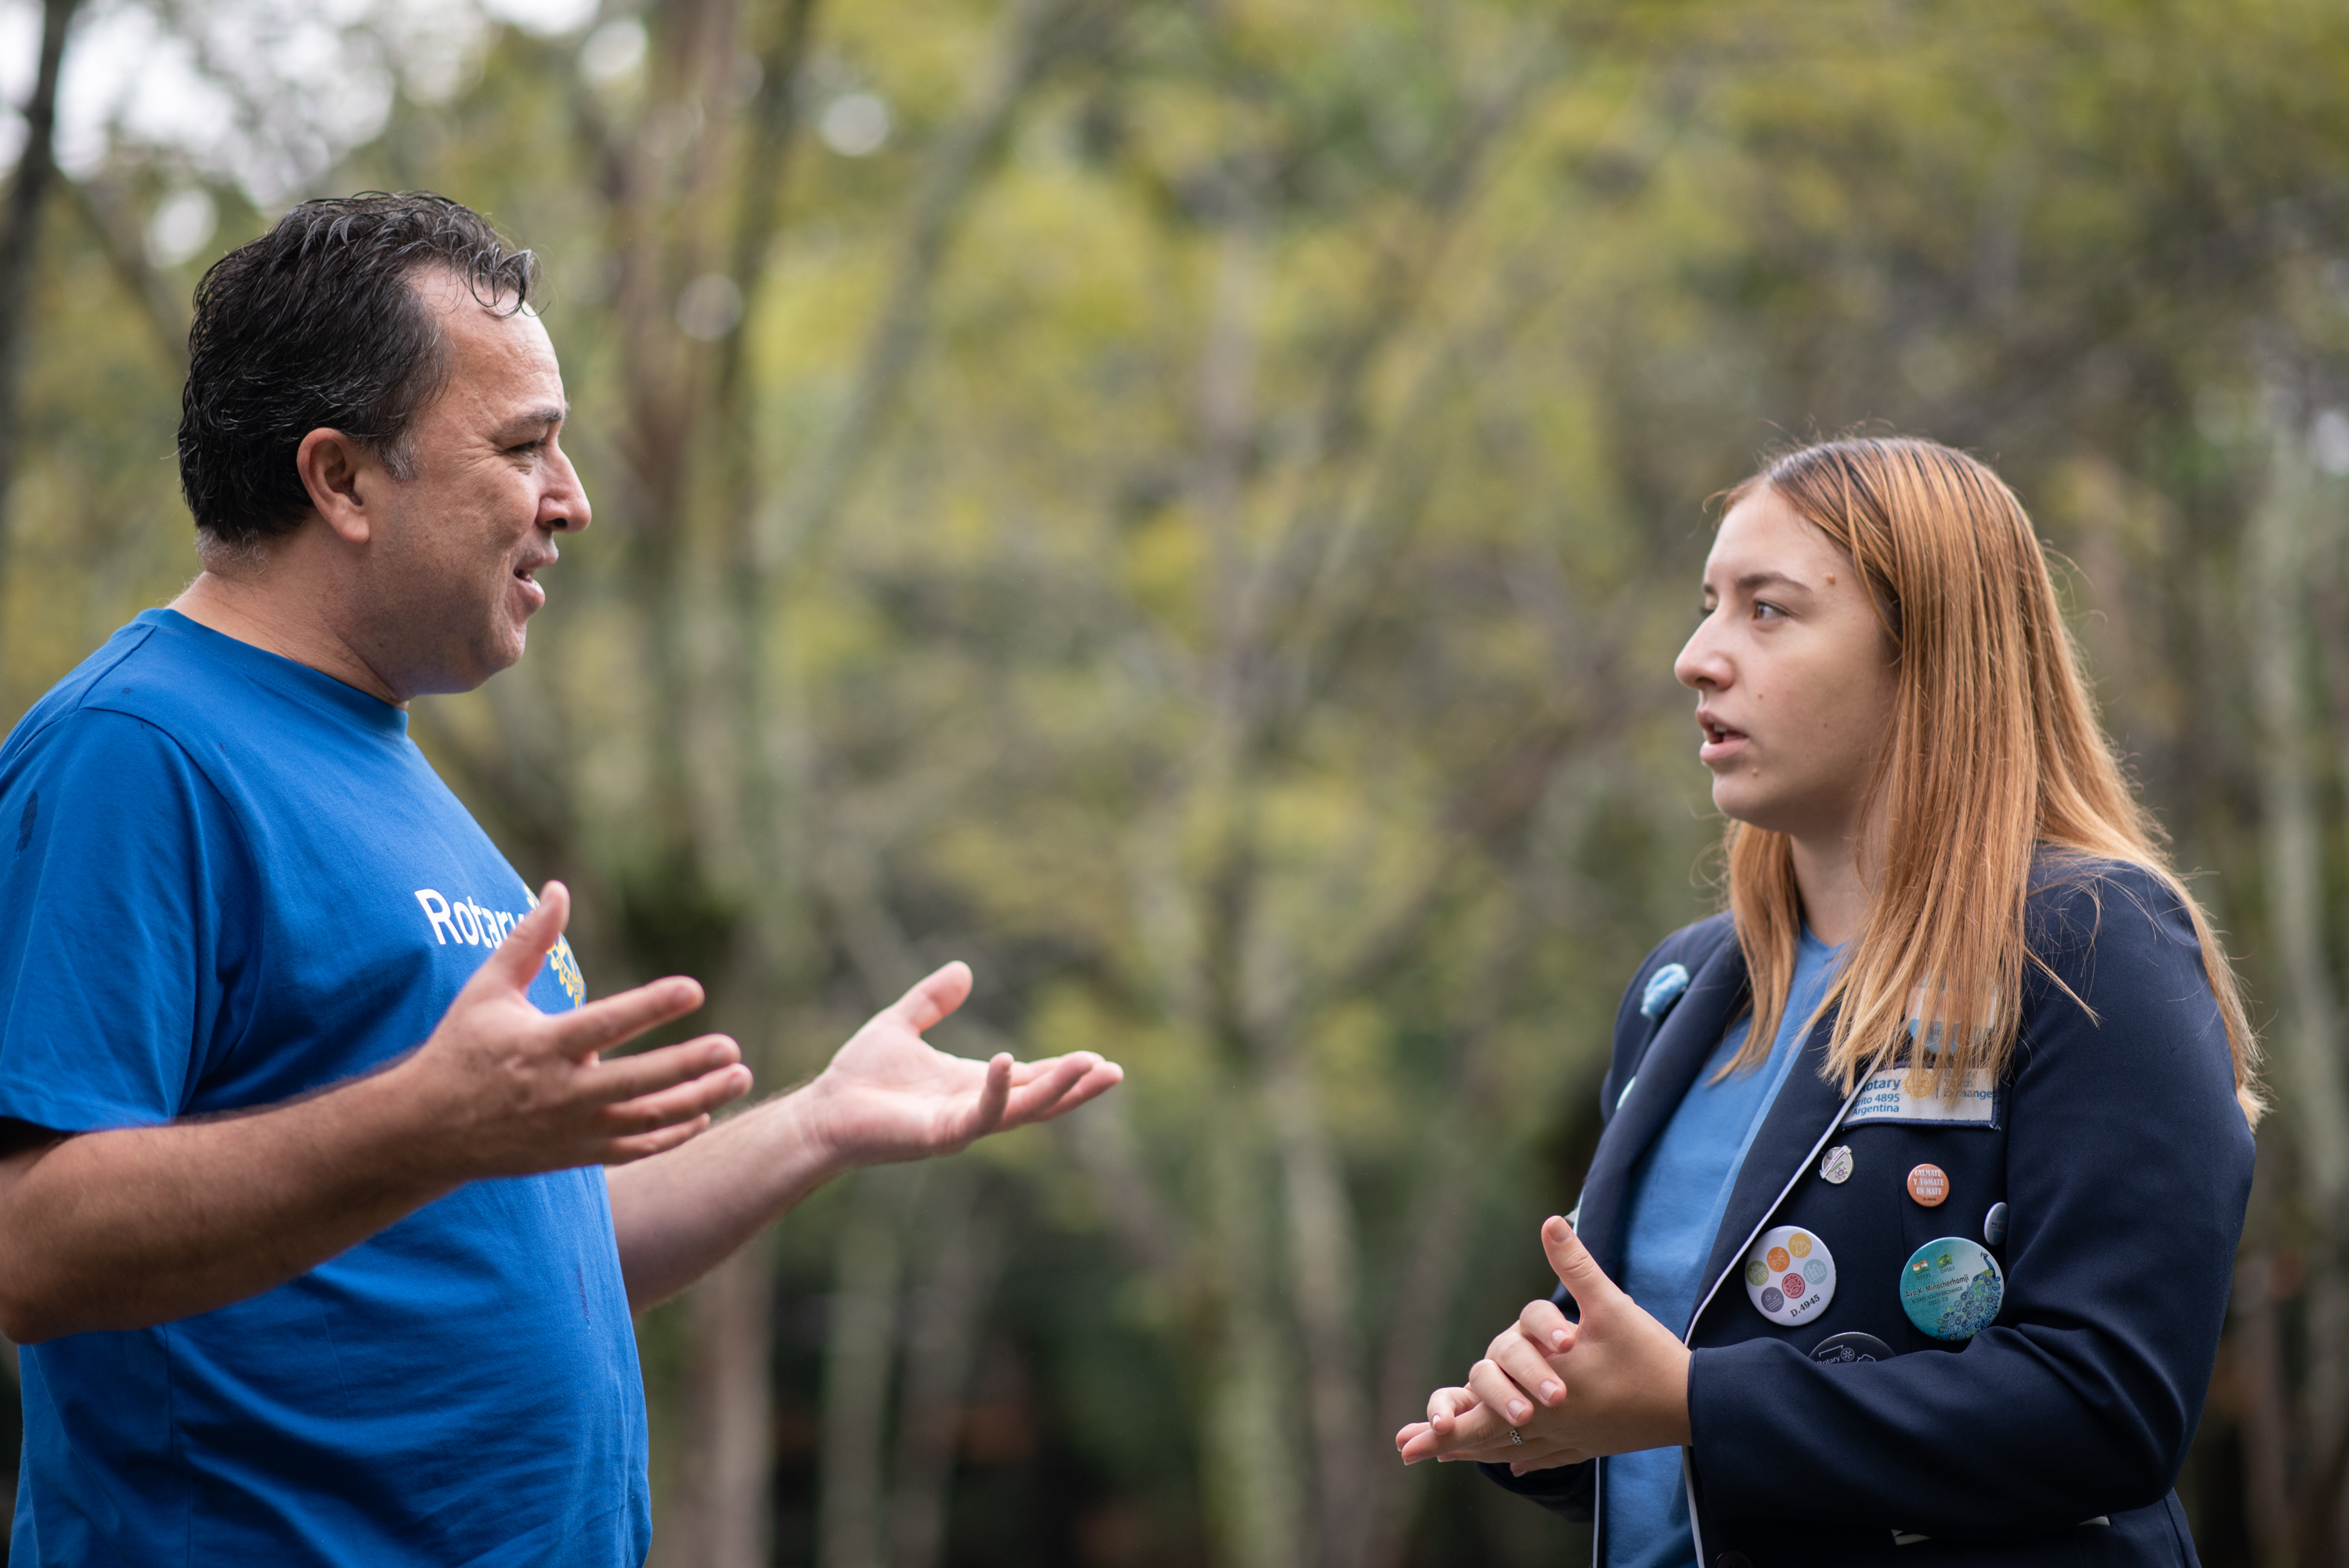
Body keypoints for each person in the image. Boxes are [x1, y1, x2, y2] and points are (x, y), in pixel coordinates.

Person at [0, 192, 1124, 1566]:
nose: (572, 501)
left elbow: (507, 1249)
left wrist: (817, 1124)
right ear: (341, 479)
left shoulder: (388, 764)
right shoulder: (137, 750)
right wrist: (426, 1121)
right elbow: (28, 1242)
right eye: (526, 445)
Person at [1395, 438, 2261, 1567]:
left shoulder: (2093, 943)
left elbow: (2108, 1408)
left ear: (1927, 655)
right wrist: (1553, 1416)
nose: (1696, 658)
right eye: (1709, 606)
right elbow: (1682, 1462)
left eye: (1769, 611)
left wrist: (1699, 1400)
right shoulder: (1683, 995)